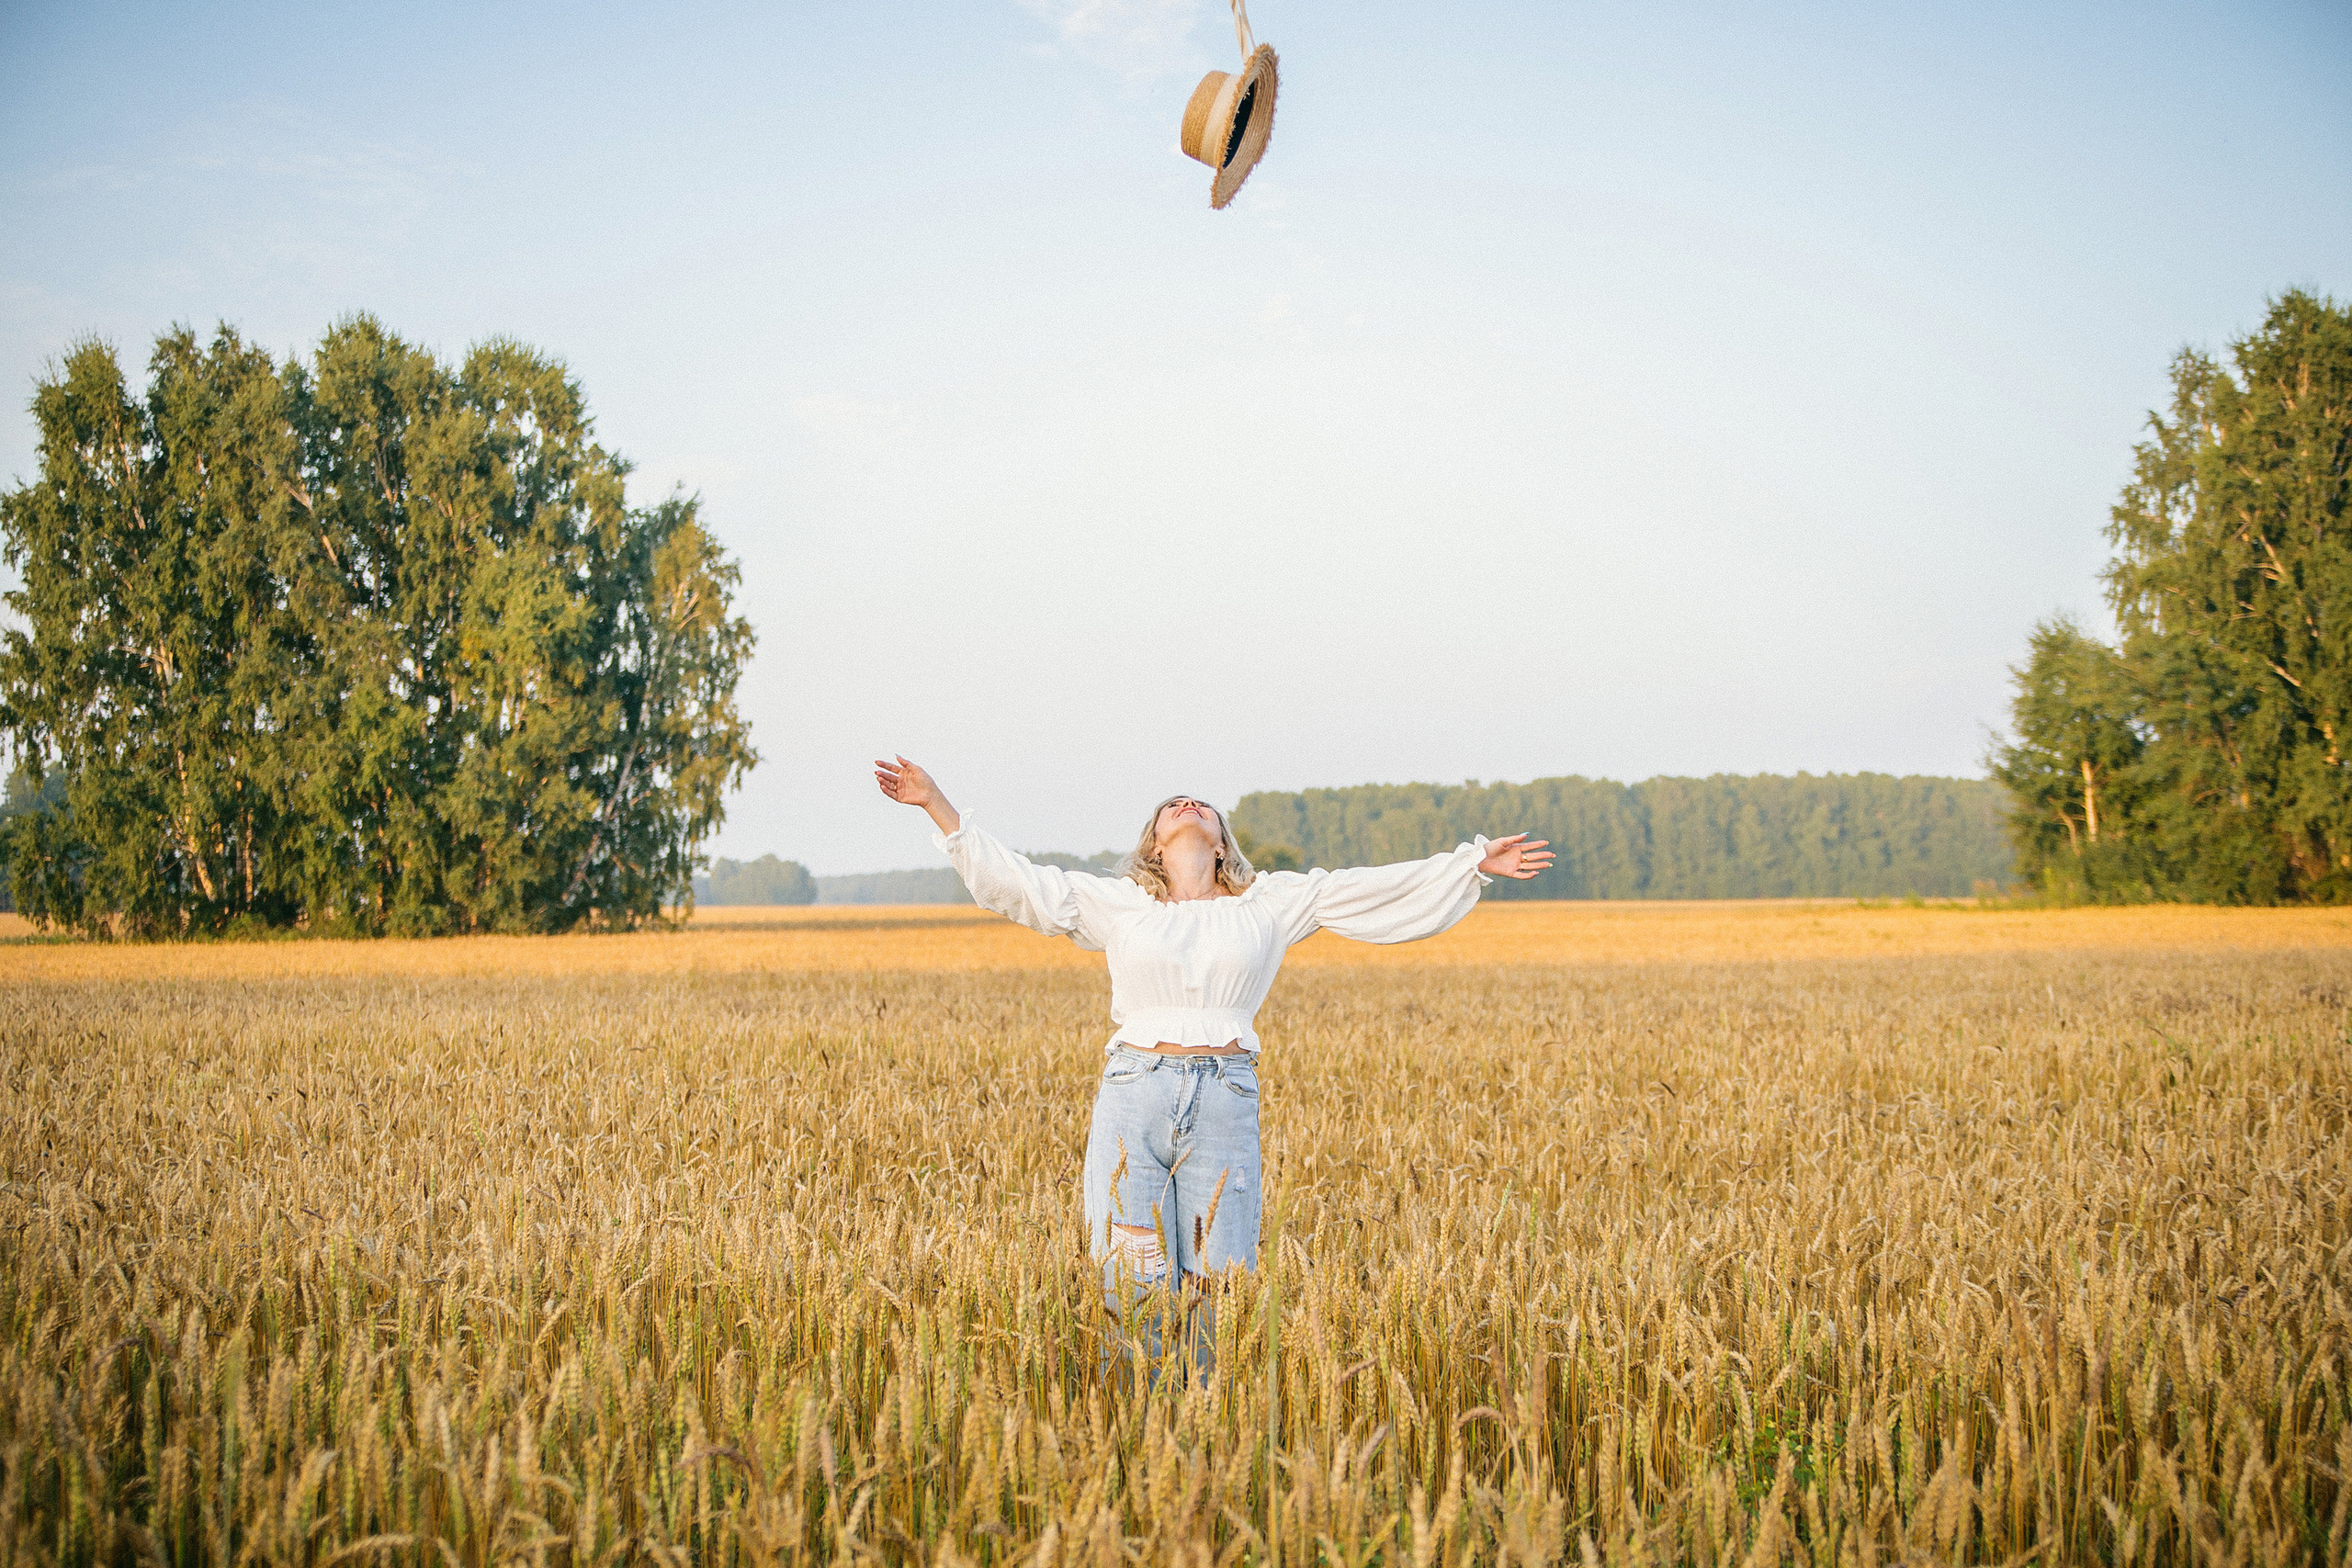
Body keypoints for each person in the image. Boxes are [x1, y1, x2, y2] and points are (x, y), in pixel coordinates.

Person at [873, 756, 1553, 1376]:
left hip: (1225, 1102)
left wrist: (1469, 864)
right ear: (1154, 844)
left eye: (1203, 804)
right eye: (1175, 805)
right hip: (1133, 1099)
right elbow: (1023, 885)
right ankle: (1138, 1431)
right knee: (1128, 1282)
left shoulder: (1267, 903)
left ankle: (1206, 1436)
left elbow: (1365, 889)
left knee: (1220, 1283)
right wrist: (938, 804)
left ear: (1222, 842)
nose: (1190, 804)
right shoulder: (1124, 905)